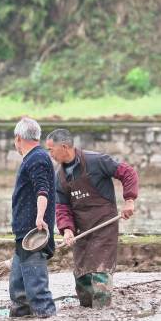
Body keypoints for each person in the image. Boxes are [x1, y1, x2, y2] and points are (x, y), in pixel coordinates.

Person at [46, 128, 138, 308]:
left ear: (64, 147)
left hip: (104, 225)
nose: (50, 154)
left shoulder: (97, 161)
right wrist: (67, 230)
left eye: (51, 149)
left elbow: (128, 173)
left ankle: (103, 316)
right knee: (83, 280)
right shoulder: (59, 176)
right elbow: (62, 207)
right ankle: (88, 312)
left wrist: (129, 200)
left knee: (100, 275)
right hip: (82, 230)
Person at [9, 117, 56, 318]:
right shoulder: (33, 157)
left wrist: (39, 218)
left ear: (18, 138)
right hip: (23, 231)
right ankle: (21, 315)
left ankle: (46, 317)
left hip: (32, 232)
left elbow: (42, 190)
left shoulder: (36, 158)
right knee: (18, 287)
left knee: (37, 287)